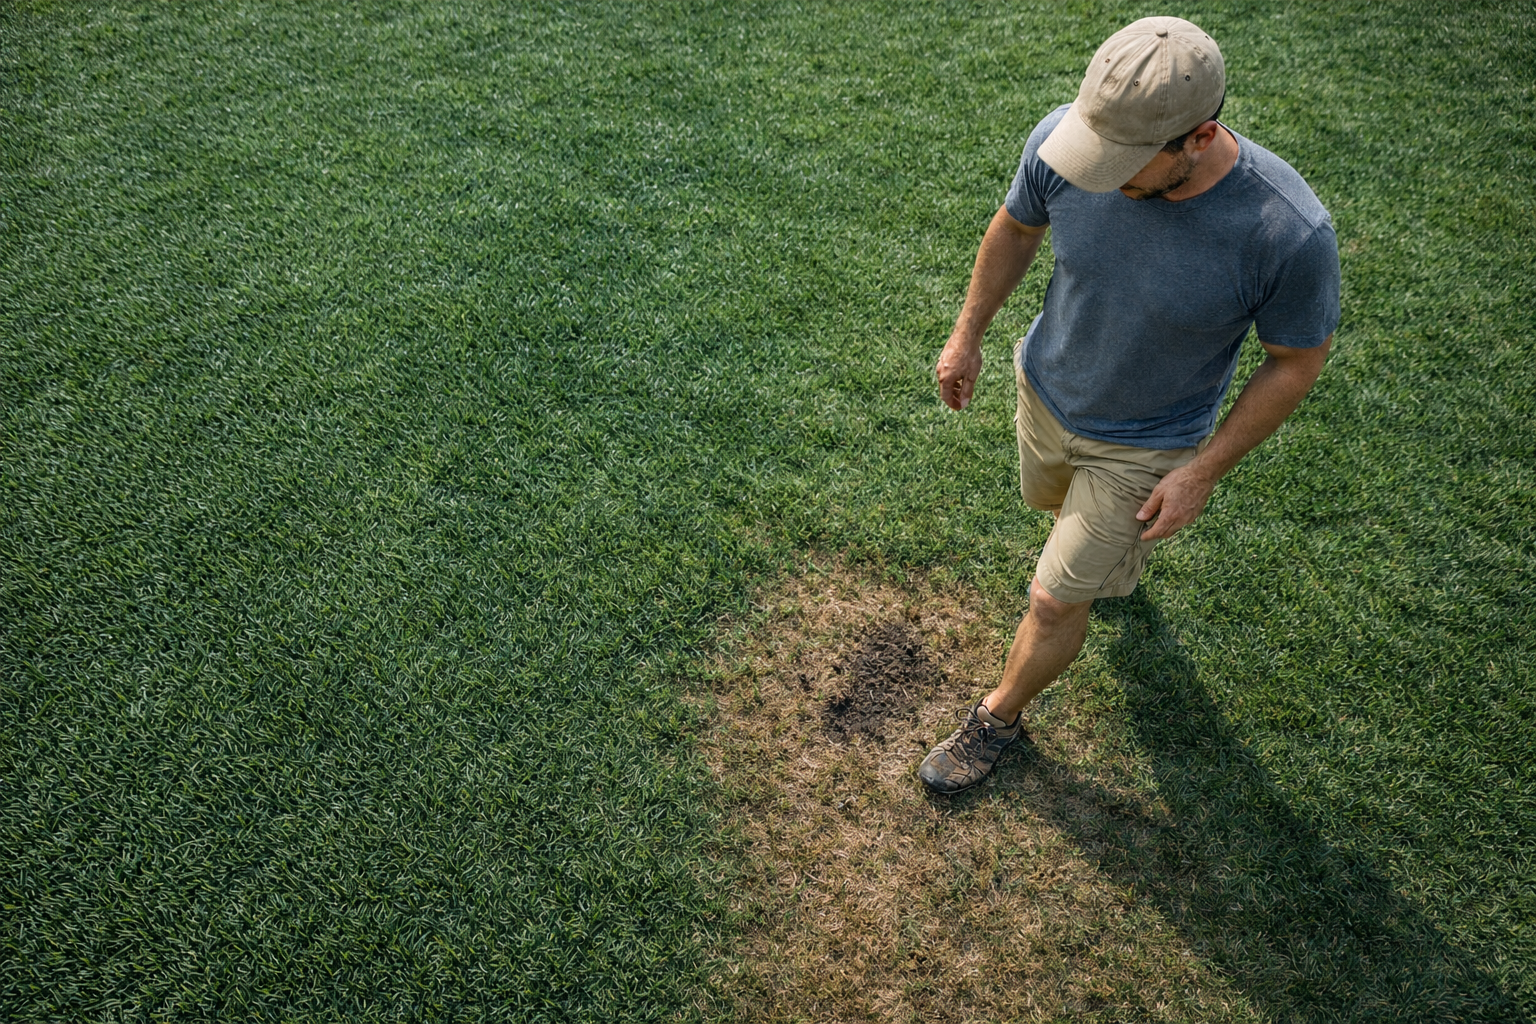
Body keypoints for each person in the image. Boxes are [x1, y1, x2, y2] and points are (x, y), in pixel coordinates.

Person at [918, 16, 1340, 794]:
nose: (1099, 176)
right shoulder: (1066, 144)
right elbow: (1015, 226)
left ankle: (998, 717)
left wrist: (1204, 470)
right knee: (1057, 523)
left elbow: (1295, 361)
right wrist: (967, 332)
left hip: (1146, 444)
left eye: (1124, 162)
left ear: (1198, 136)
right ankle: (1105, 567)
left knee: (1051, 598)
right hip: (1046, 391)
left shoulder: (1286, 232)